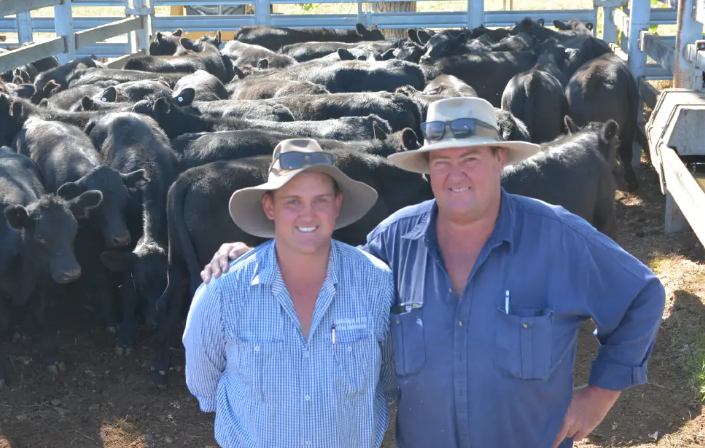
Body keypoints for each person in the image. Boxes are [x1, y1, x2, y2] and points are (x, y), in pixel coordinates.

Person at [200, 97, 667, 448]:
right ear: (427, 170)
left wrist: (599, 396)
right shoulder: (393, 242)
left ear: (500, 159)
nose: (455, 175)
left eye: (470, 159)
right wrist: (258, 254)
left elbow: (643, 296)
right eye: (442, 161)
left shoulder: (557, 236)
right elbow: (327, 273)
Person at [182, 138, 398, 448]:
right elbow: (205, 383)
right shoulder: (223, 291)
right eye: (293, 201)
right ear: (269, 207)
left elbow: (387, 379)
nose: (307, 215)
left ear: (337, 204)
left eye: (320, 200)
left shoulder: (376, 282)